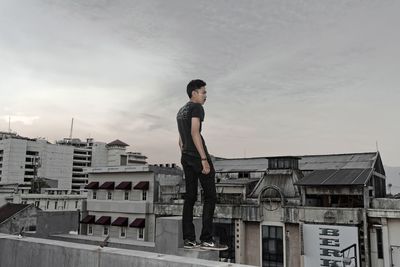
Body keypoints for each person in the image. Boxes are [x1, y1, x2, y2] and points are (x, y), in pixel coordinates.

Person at [176, 79, 228, 251]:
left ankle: (189, 239)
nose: (205, 95)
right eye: (203, 92)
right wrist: (204, 159)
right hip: (198, 157)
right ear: (194, 93)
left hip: (186, 156)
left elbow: (181, 140)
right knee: (210, 196)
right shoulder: (197, 108)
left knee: (190, 197)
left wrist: (186, 155)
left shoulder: (181, 111)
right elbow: (194, 132)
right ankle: (206, 239)